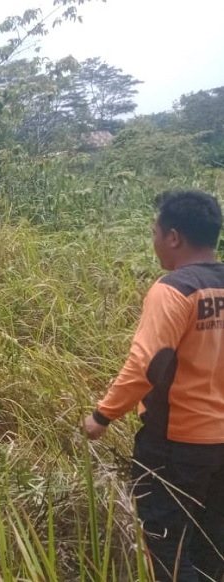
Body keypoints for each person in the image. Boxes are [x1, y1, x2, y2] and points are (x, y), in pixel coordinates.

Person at [83, 190, 224, 582]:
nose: (155, 241)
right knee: (212, 546)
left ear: (174, 237)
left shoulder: (173, 289)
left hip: (176, 445)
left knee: (165, 549)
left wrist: (101, 416)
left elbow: (146, 366)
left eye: (155, 232)